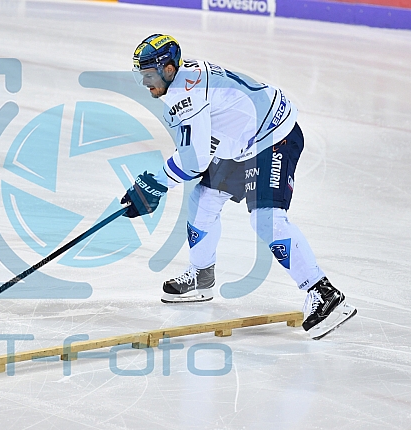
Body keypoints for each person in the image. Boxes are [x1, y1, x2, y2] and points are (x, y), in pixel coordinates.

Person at [120, 34, 356, 340]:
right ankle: (202, 277)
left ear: (167, 69)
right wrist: (153, 186)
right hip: (241, 140)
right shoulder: (181, 78)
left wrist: (152, 186)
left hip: (272, 135)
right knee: (203, 200)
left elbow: (194, 161)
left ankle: (321, 291)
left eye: (148, 75)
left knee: (266, 218)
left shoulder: (182, 95)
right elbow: (201, 148)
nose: (145, 83)